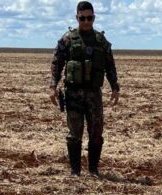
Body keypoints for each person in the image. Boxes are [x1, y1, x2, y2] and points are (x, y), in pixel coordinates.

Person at [49, 1, 120, 177]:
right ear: (77, 18)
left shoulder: (100, 41)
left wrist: (115, 88)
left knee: (96, 132)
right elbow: (57, 63)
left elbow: (110, 65)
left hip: (94, 94)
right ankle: (75, 171)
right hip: (73, 93)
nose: (86, 21)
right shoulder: (68, 39)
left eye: (89, 18)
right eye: (82, 18)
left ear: (94, 17)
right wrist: (52, 86)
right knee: (75, 133)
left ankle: (93, 170)